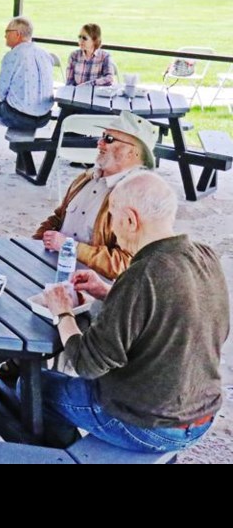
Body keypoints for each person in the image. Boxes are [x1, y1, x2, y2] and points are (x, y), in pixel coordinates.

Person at [39, 172, 229, 453]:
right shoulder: (204, 255)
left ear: (130, 220)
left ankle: (69, 455)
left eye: (113, 218)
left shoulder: (142, 275)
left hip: (149, 425)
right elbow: (180, 315)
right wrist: (108, 291)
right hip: (202, 414)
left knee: (33, 389)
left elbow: (86, 363)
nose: (113, 229)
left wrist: (62, 312)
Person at [34, 111, 157, 280]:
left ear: (133, 153)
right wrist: (34, 244)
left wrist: (70, 247)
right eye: (102, 136)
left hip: (91, 285)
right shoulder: (87, 178)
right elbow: (58, 218)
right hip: (54, 268)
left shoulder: (137, 197)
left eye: (109, 139)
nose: (99, 143)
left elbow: (126, 263)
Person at [0, 16, 55, 131]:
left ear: (17, 34)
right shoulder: (45, 54)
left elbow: (1, 91)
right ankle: (24, 148)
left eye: (7, 32)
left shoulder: (13, 55)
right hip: (44, 118)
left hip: (18, 117)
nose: (5, 36)